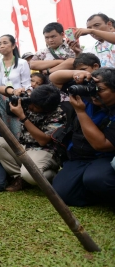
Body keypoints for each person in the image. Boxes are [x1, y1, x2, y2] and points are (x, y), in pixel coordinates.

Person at [50, 68, 115, 206]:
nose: (94, 92)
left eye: (100, 89)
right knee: (62, 192)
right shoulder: (88, 95)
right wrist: (78, 73)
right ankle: (98, 196)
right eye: (92, 87)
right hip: (80, 157)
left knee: (97, 179)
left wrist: (80, 111)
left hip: (105, 158)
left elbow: (102, 144)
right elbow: (54, 78)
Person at [0, 85, 65, 191]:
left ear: (47, 108)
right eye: (31, 102)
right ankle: (18, 177)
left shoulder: (59, 113)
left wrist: (23, 117)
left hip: (44, 151)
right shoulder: (30, 99)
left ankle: (53, 174)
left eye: (35, 107)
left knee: (30, 176)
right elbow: (0, 88)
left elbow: (43, 141)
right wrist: (14, 91)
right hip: (24, 146)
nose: (30, 107)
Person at [0, 35, 31, 137]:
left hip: (16, 101)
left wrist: (22, 94)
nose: (1, 46)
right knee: (4, 131)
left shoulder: (22, 63)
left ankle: (20, 151)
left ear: (13, 46)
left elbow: (27, 85)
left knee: (18, 130)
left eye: (5, 43)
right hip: (0, 102)